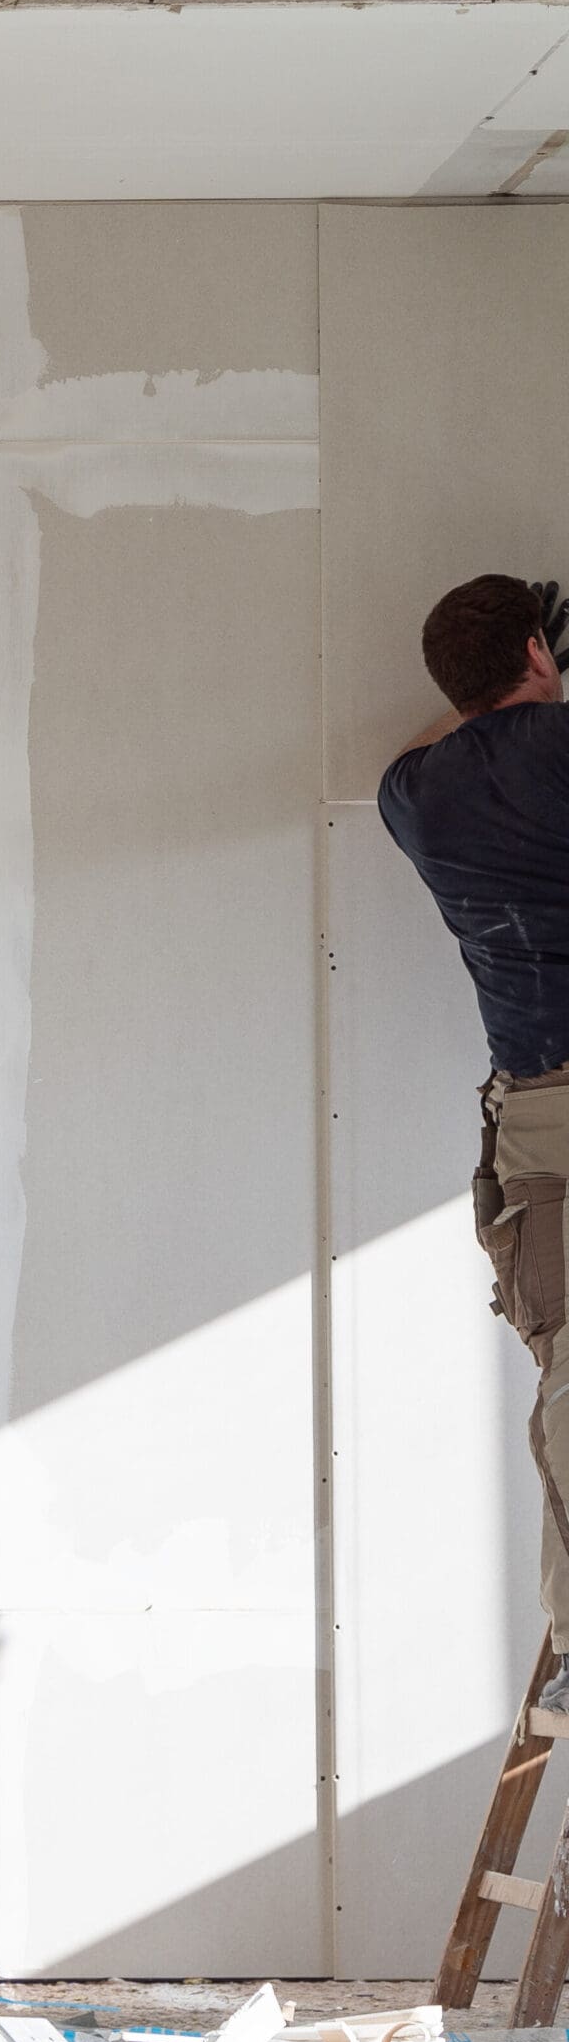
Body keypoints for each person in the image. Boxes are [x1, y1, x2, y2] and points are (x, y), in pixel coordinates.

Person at [381, 573, 569, 1714]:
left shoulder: (415, 796)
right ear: (540, 656)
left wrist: (513, 685)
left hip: (536, 1116)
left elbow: (439, 735)